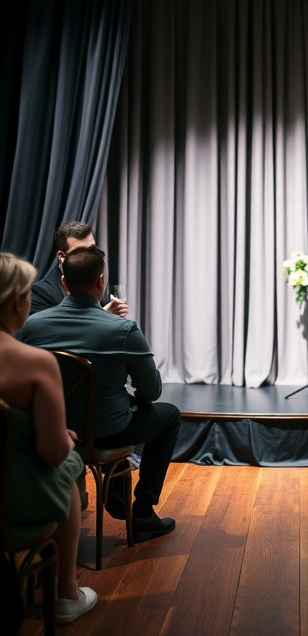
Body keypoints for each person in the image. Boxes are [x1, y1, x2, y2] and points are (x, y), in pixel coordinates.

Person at [19, 245, 182, 544]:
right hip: (106, 433)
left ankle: (115, 491)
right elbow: (152, 391)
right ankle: (143, 514)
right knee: (169, 416)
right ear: (101, 281)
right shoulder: (122, 329)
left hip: (50, 431)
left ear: (64, 283)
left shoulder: (32, 325)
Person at [0, 251, 98, 624]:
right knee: (69, 462)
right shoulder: (34, 362)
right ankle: (66, 594)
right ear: (15, 302)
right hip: (13, 505)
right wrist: (63, 437)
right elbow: (52, 451)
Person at [30, 220, 129, 317]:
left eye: (92, 249)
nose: (89, 257)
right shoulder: (41, 293)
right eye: (80, 252)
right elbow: (50, 331)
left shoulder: (98, 280)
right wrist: (104, 314)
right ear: (61, 256)